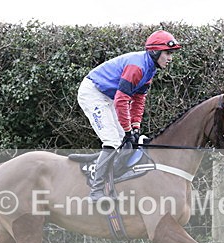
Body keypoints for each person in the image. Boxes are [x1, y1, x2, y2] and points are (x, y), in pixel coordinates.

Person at [77, 30, 181, 201]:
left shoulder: (150, 69)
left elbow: (139, 100)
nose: (170, 58)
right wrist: (127, 129)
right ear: (155, 52)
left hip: (109, 96)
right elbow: (121, 100)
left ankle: (111, 183)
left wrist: (135, 126)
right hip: (93, 93)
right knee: (113, 141)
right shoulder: (137, 67)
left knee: (126, 141)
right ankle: (95, 192)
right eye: (168, 53)